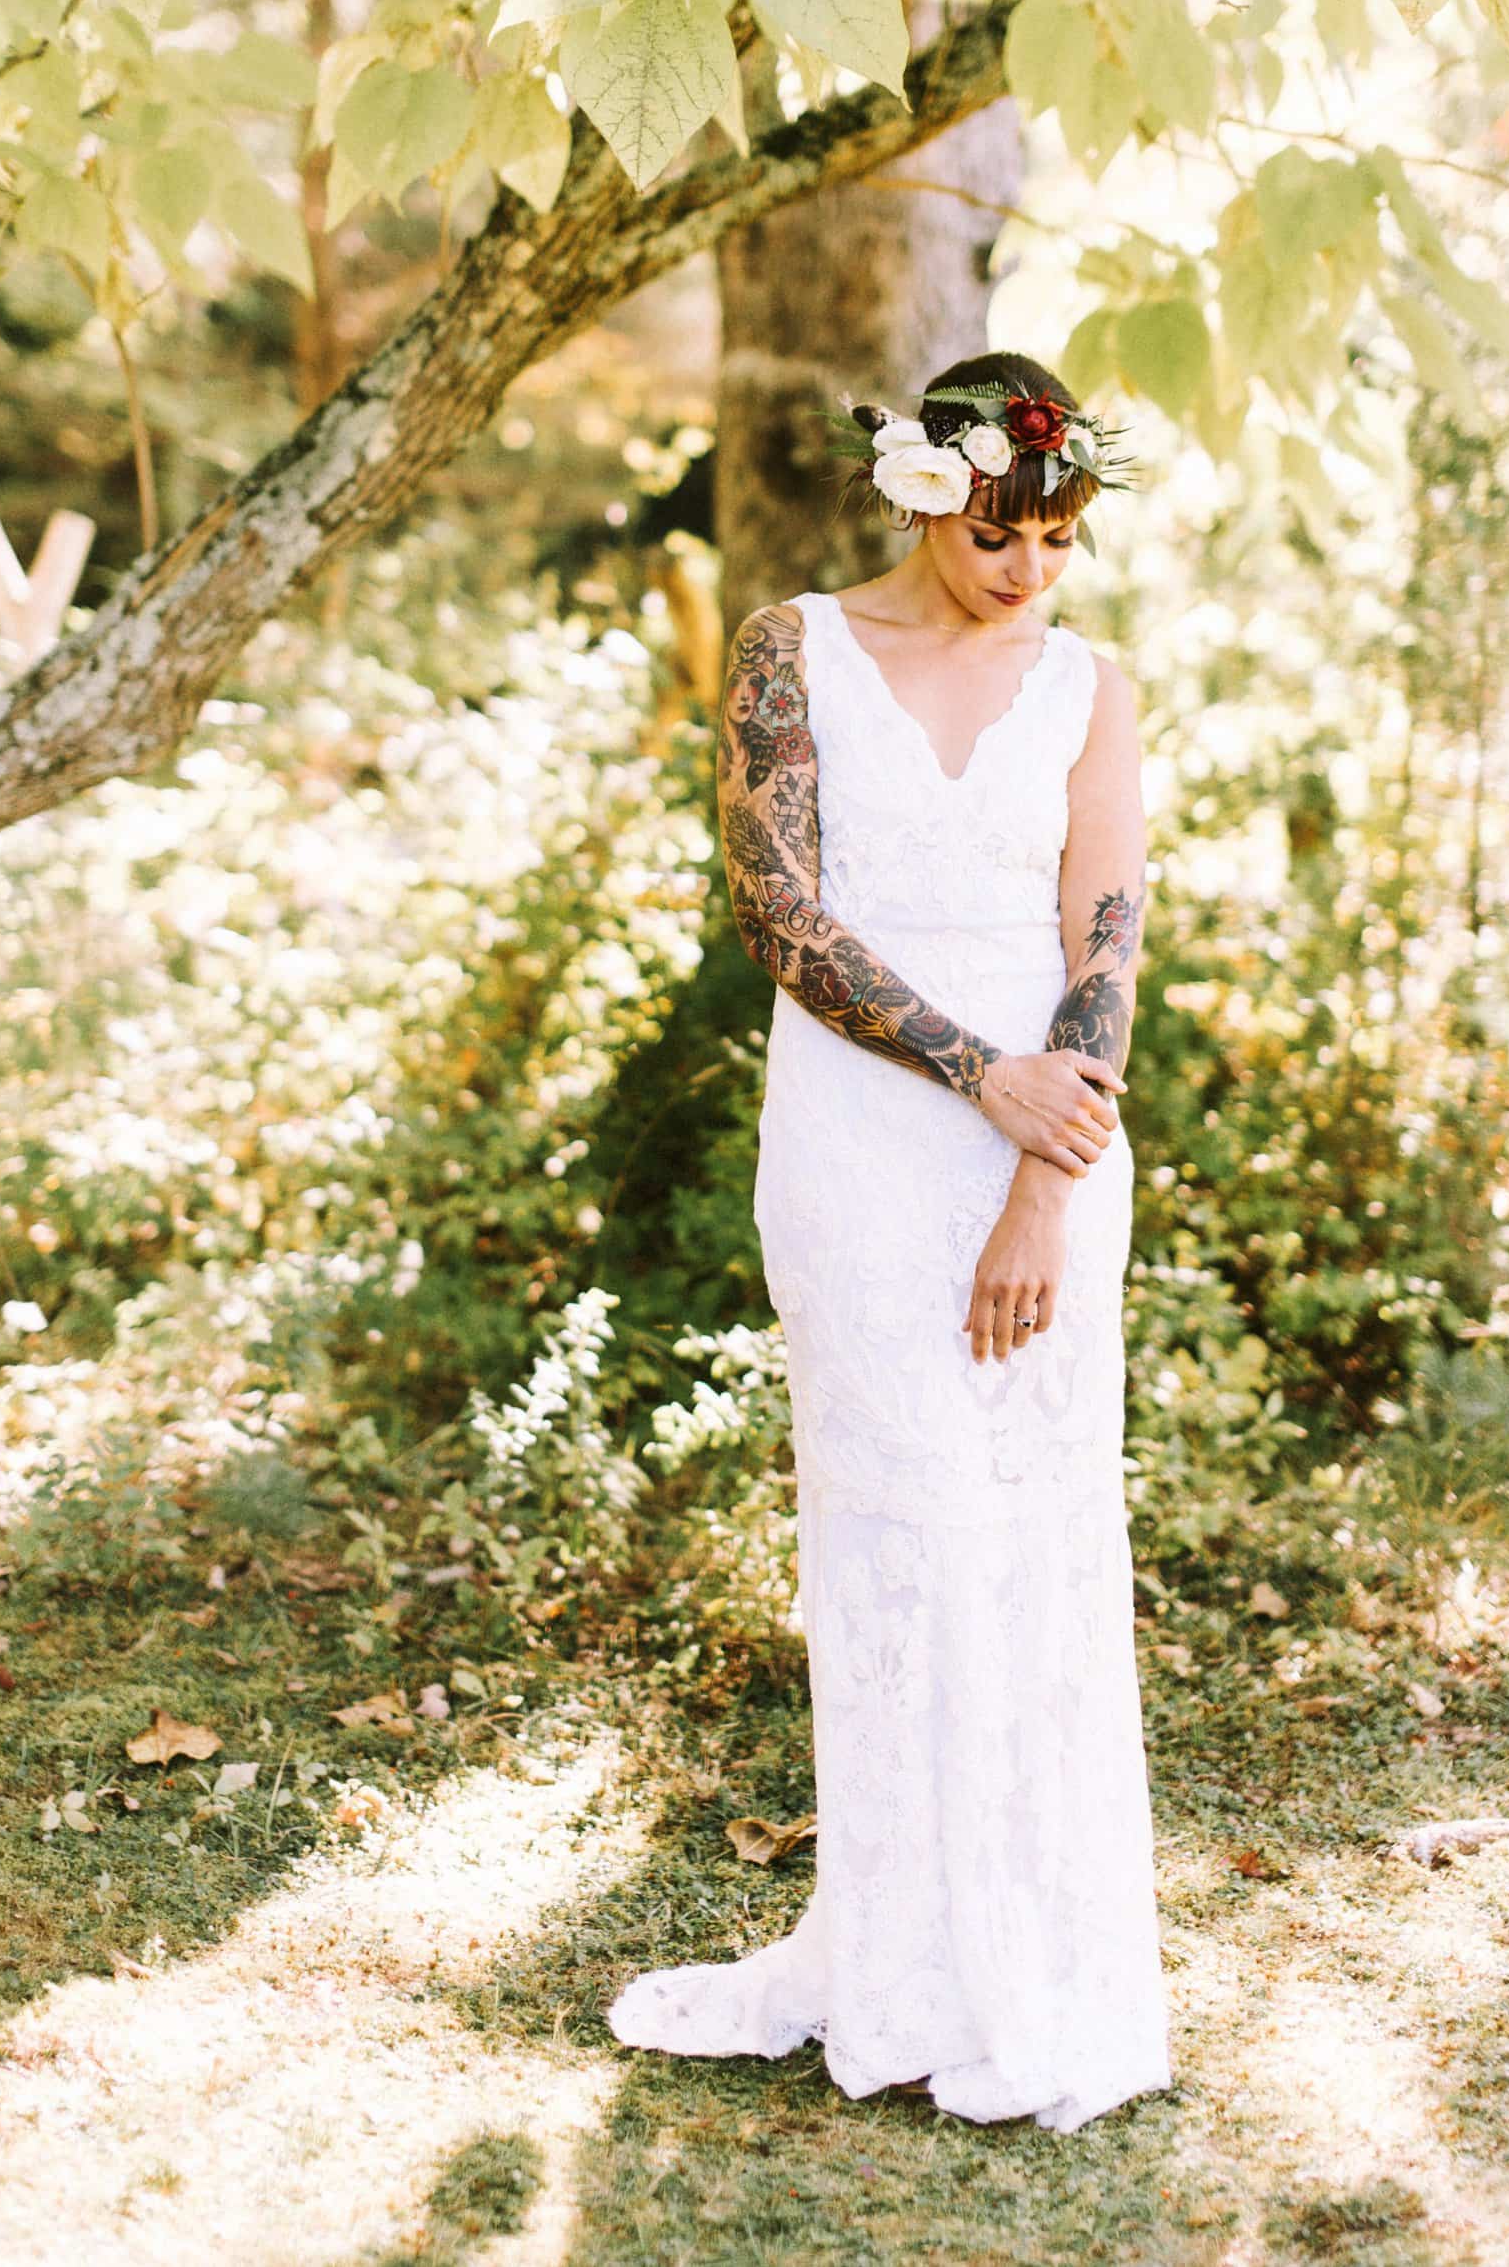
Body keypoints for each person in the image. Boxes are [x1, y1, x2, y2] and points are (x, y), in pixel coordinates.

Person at [605, 351, 1173, 2128]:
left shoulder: (1093, 686)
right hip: (859, 1137)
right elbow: (775, 905)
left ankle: (1036, 1961)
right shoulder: (791, 646)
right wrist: (967, 1071)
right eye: (1005, 527)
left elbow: (1106, 936)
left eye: (1063, 534)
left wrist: (1040, 1170)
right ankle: (901, 1963)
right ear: (931, 492)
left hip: (1045, 1151)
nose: (1028, 566)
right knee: (899, 1532)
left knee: (1033, 1538)